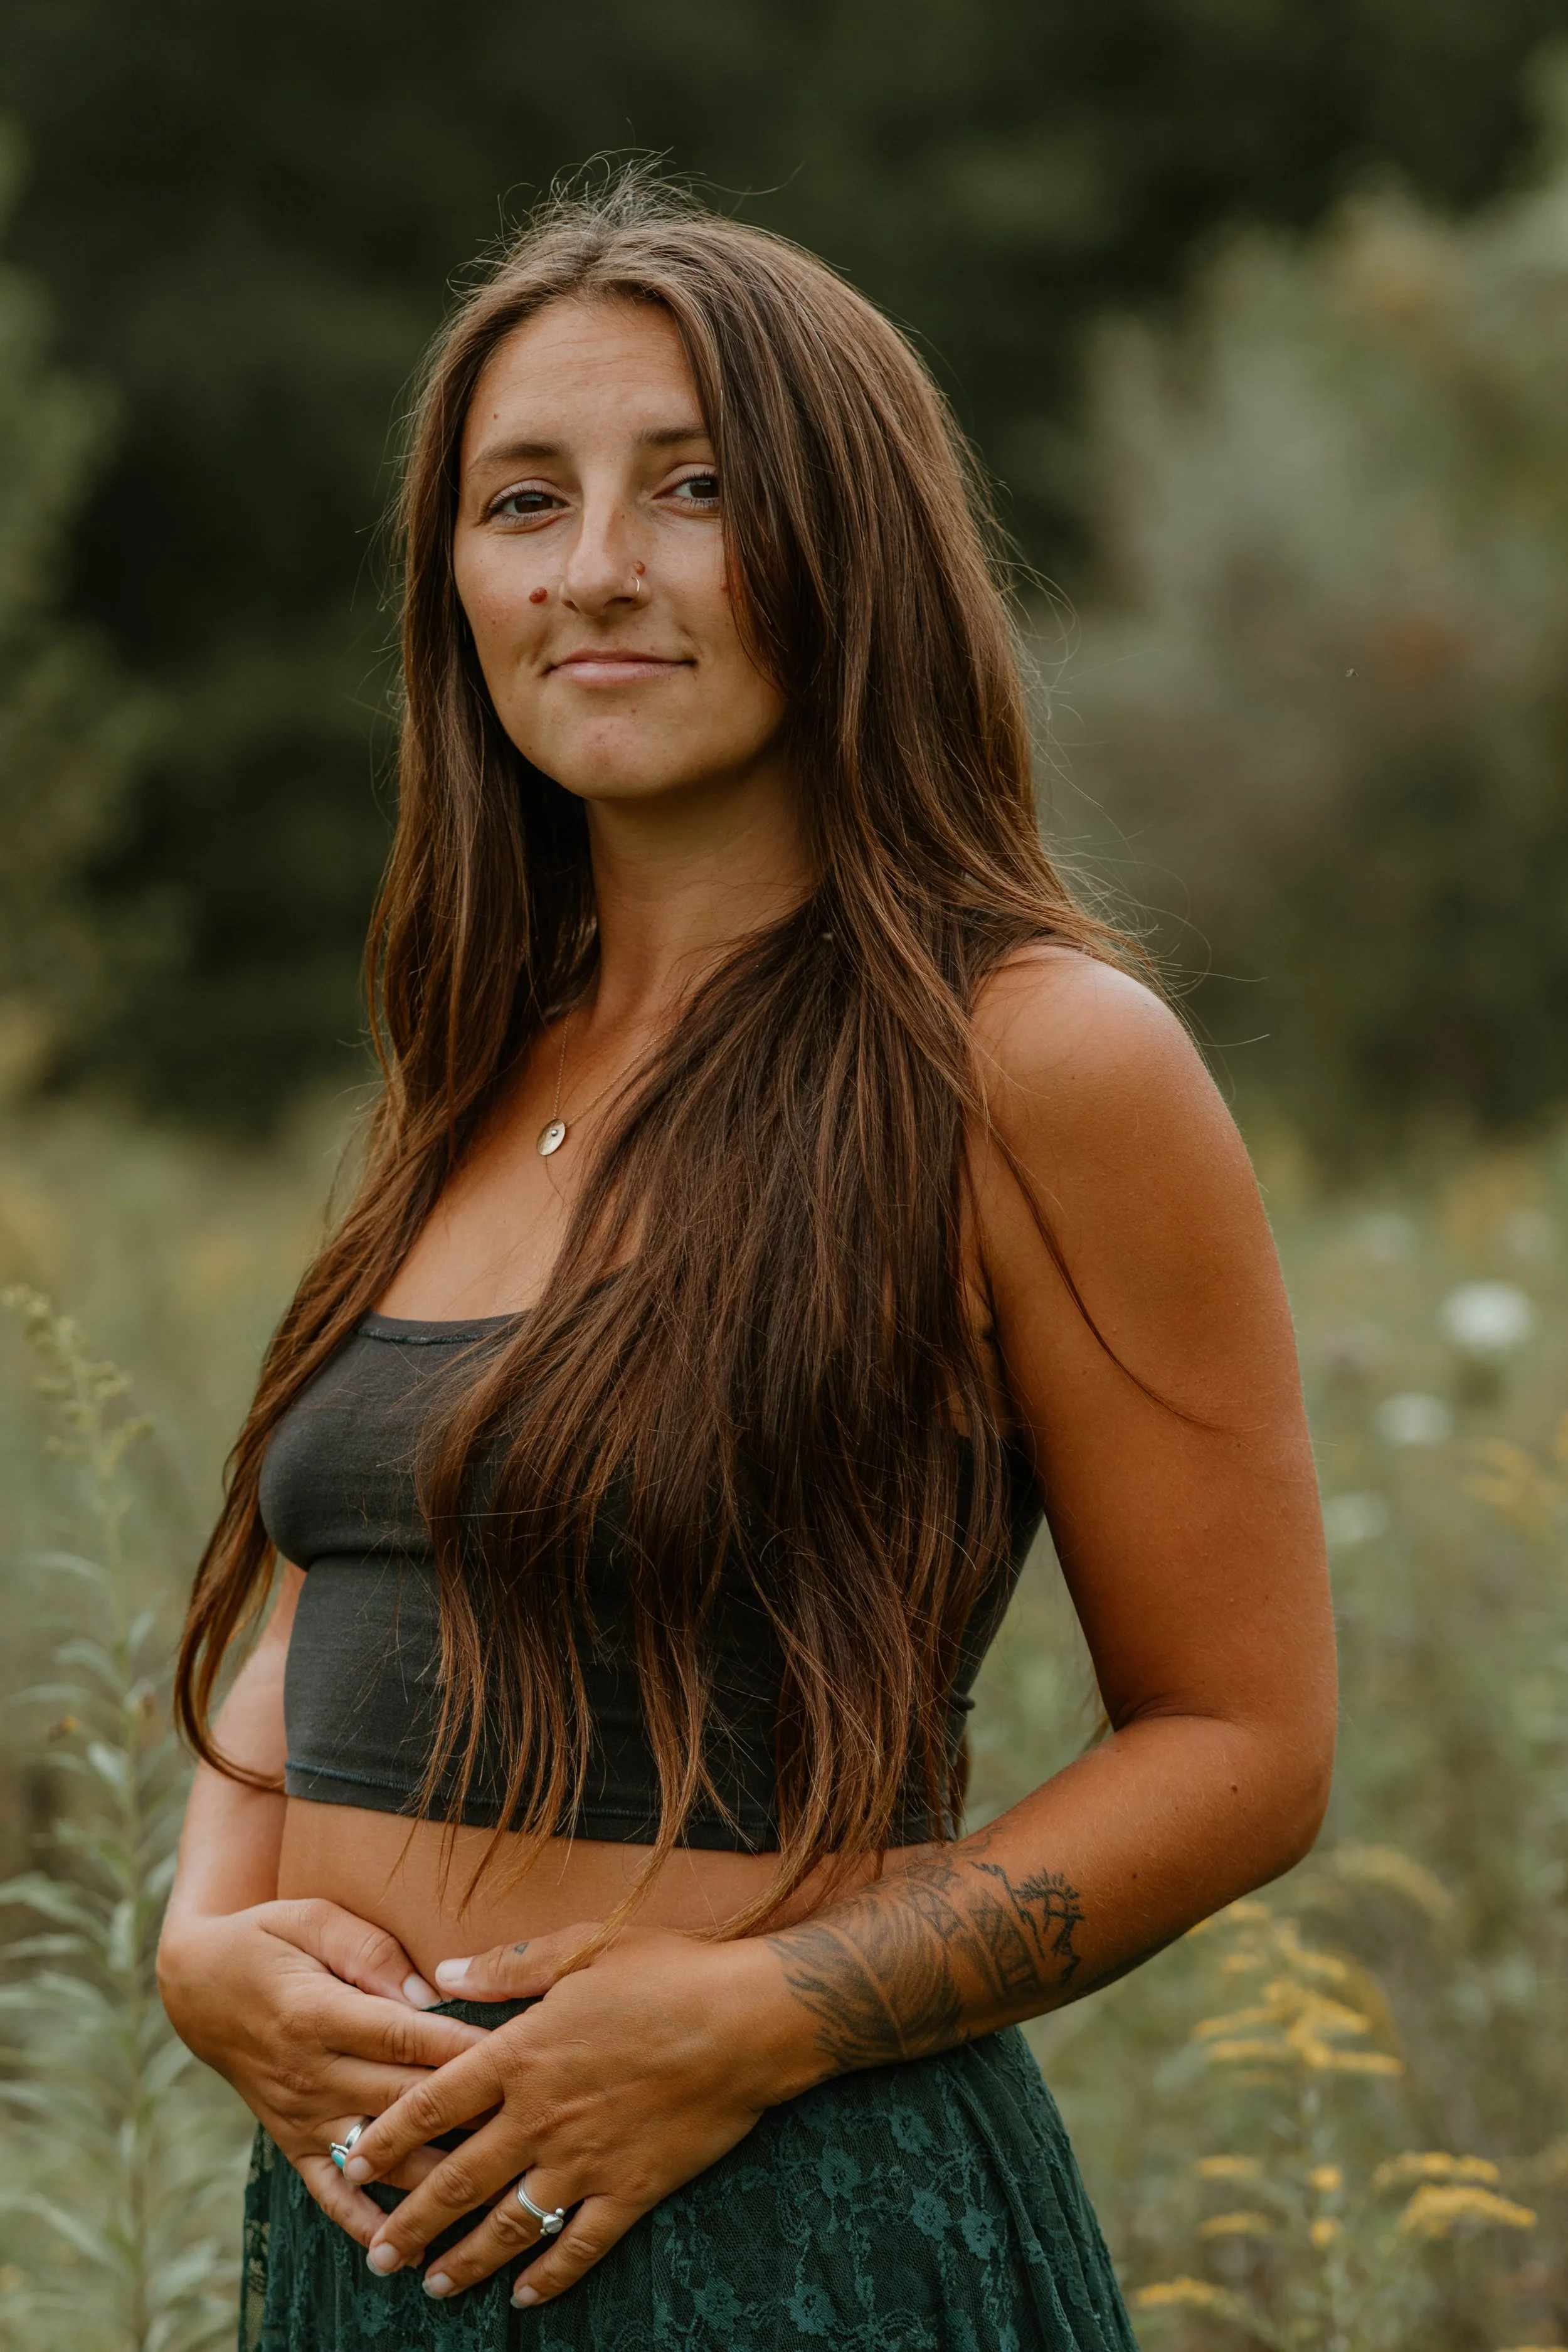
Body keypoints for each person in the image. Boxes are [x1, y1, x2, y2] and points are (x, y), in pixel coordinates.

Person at [157, 173, 1336, 2352]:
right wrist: (204, 1928)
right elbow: (357, 1558)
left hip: (786, 2237)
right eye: (524, 501)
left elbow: (1243, 1738)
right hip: (364, 2244)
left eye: (691, 489)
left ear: (846, 548)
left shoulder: (1032, 1058)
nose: (594, 568)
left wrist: (754, 2018)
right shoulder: (479, 1045)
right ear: (452, 582)